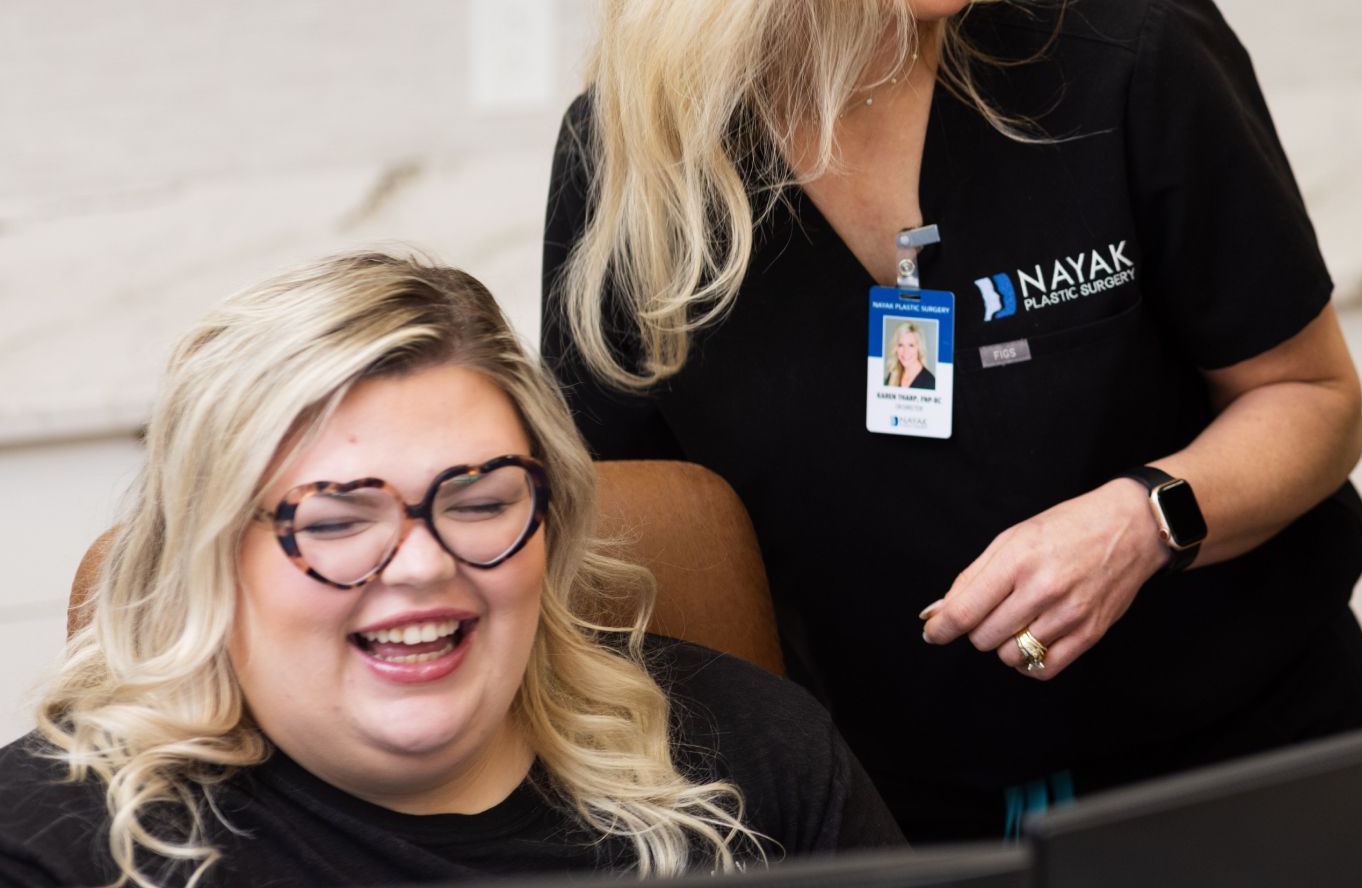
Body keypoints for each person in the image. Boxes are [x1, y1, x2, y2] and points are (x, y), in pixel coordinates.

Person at [544, 0, 1362, 842]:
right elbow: (632, 544)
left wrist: (1148, 517)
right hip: (877, 818)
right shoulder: (635, 161)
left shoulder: (1126, 57)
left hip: (1241, 782)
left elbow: (1311, 400)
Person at [0, 252, 902, 887]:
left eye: (479, 504)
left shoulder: (757, 764)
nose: (425, 566)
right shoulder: (49, 848)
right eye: (339, 520)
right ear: (211, 557)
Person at [885, 320, 936, 390]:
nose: (905, 351)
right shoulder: (892, 376)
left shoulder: (930, 382)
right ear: (895, 348)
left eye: (911, 345)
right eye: (900, 345)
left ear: (918, 347)